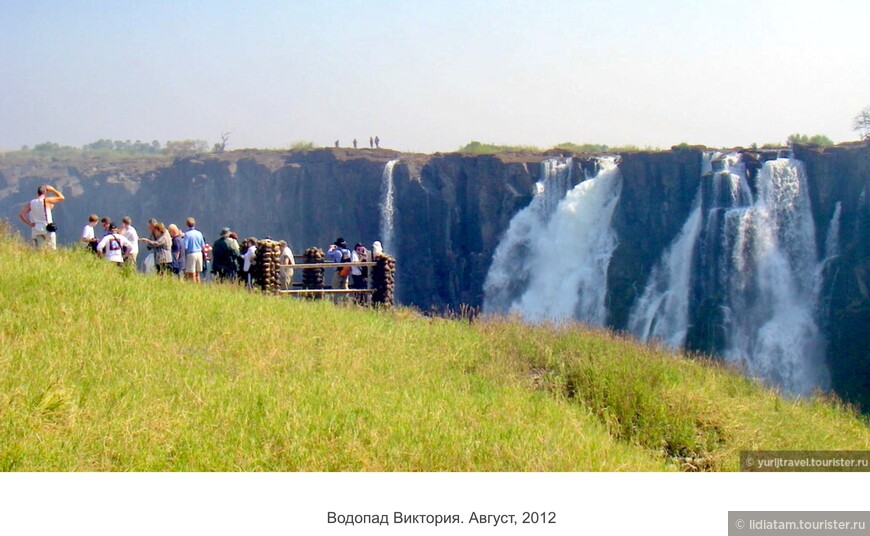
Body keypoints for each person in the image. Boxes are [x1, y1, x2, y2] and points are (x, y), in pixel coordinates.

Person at [18, 185, 65, 249]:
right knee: (51, 249)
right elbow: (61, 197)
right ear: (45, 192)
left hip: (37, 229)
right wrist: (52, 189)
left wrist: (29, 223)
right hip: (47, 228)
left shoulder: (31, 203)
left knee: (40, 250)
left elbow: (22, 214)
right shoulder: (46, 201)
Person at [182, 217, 205, 283]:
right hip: (199, 253)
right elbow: (203, 245)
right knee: (198, 274)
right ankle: (199, 286)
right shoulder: (199, 233)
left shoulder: (187, 234)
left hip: (191, 254)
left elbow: (185, 247)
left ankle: (194, 286)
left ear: (187, 224)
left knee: (192, 273)